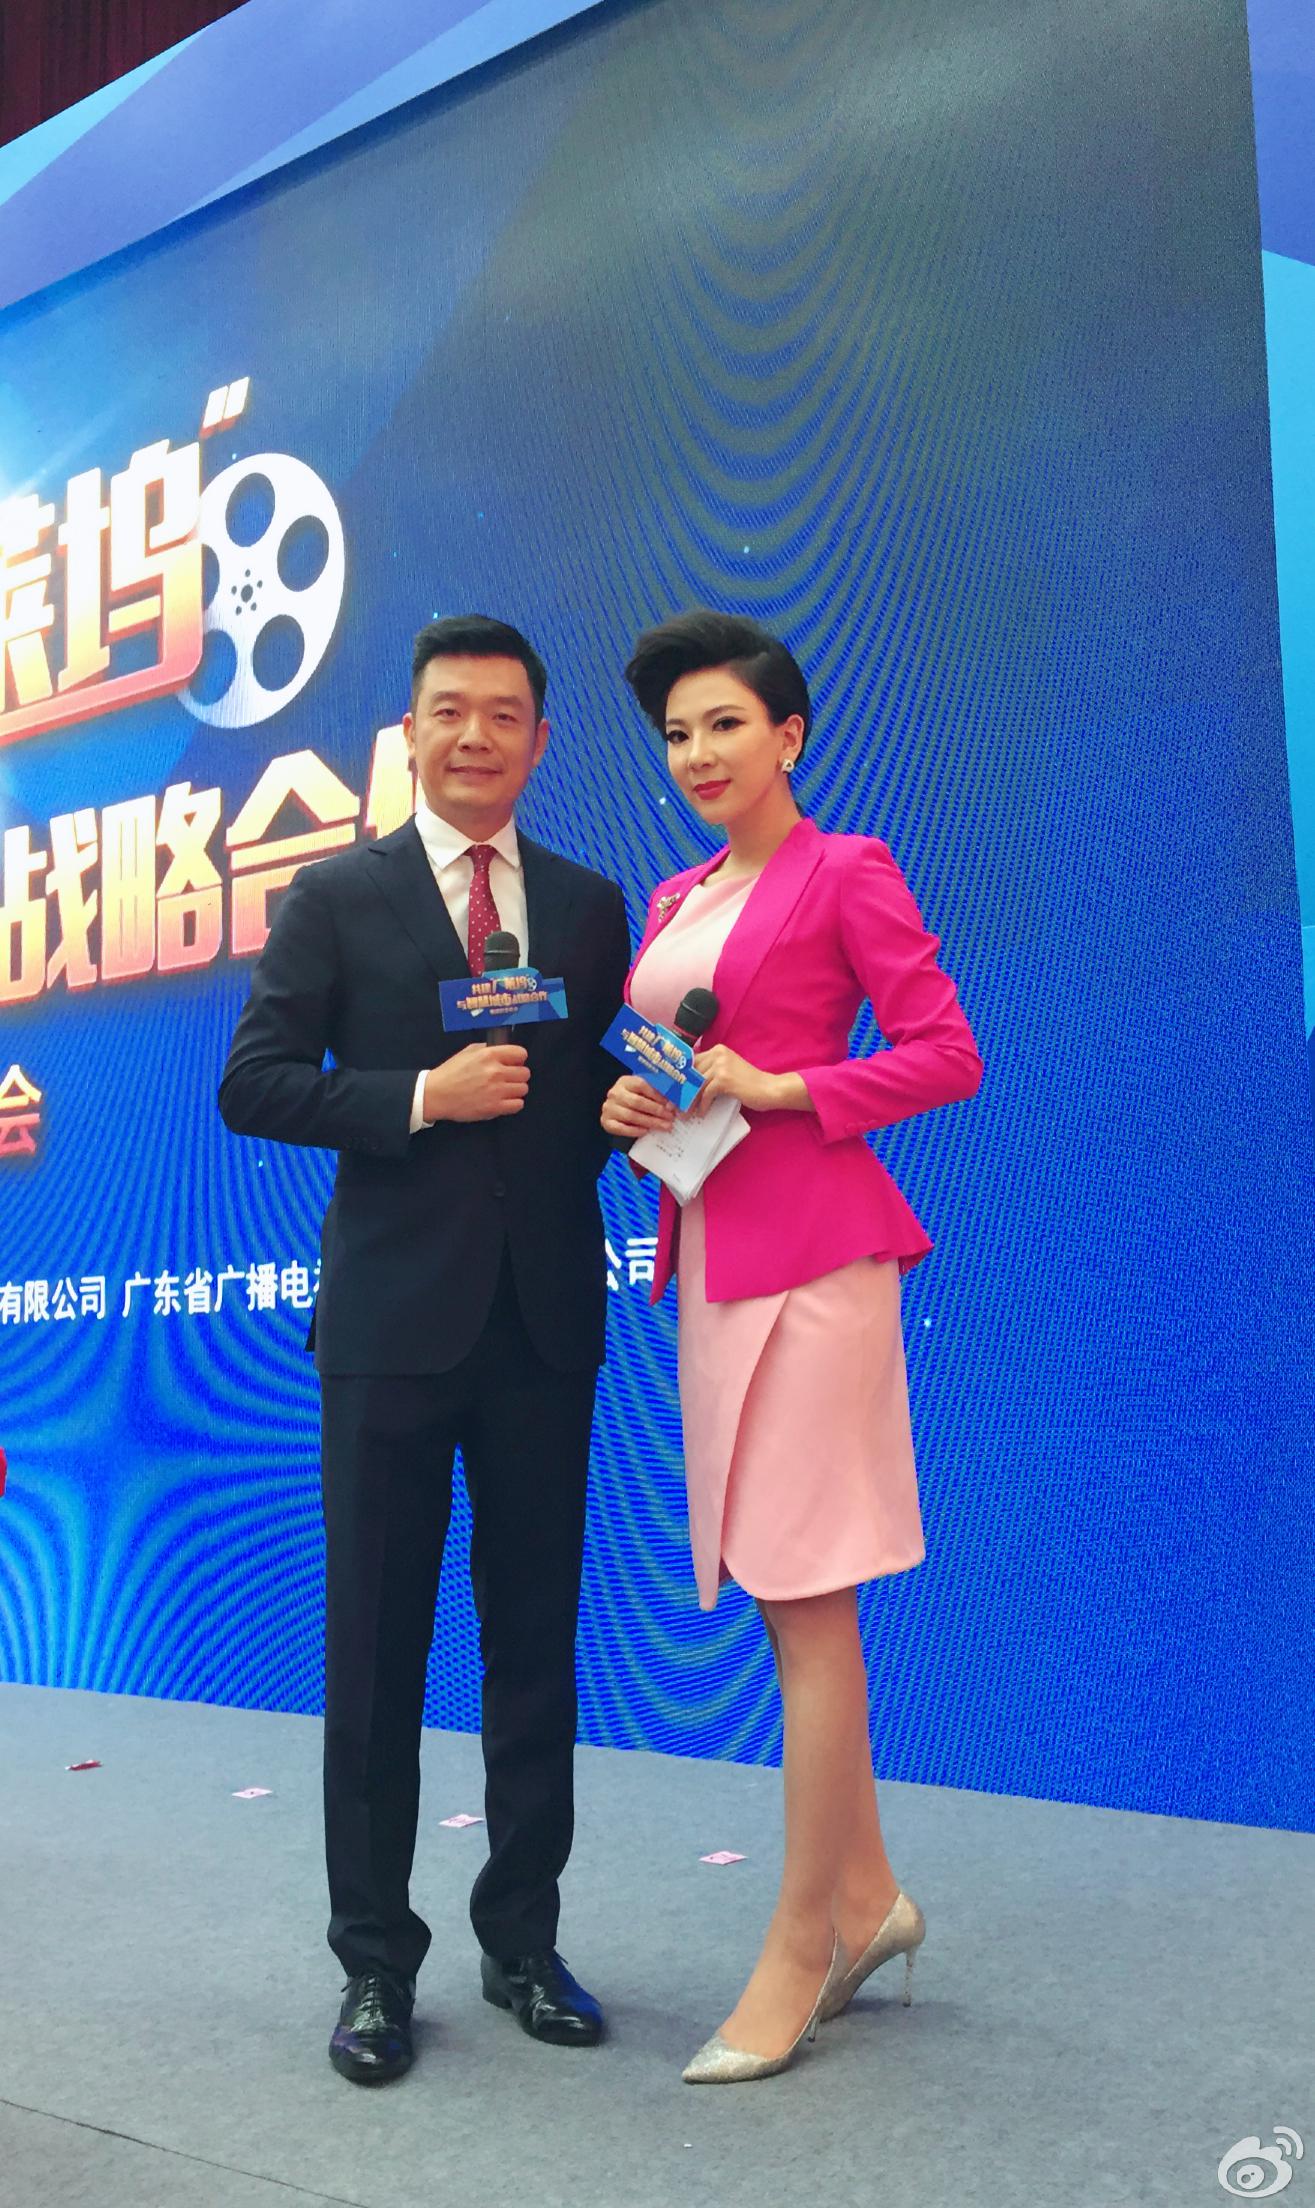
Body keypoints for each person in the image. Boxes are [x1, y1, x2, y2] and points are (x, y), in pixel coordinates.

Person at [219, 614, 631, 2084]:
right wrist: (415, 1097)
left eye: (503, 714)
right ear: (410, 732)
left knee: (535, 1649)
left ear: (539, 739)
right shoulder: (336, 895)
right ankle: (376, 1966)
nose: (475, 736)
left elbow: (581, 1101)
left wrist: (629, 1114)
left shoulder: (587, 908)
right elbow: (255, 1083)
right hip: (391, 1331)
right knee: (378, 1653)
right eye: (450, 710)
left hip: (541, 1327)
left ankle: (522, 1940)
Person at [602, 609, 982, 2085]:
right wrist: (636, 1110)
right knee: (779, 1597)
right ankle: (871, 1899)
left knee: (811, 1600)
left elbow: (945, 1051)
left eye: (726, 725)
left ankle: (804, 1942)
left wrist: (788, 1088)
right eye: (678, 734)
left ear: (790, 736)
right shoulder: (673, 896)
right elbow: (672, 1071)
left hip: (820, 1262)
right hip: (710, 1255)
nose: (699, 753)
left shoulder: (846, 870)